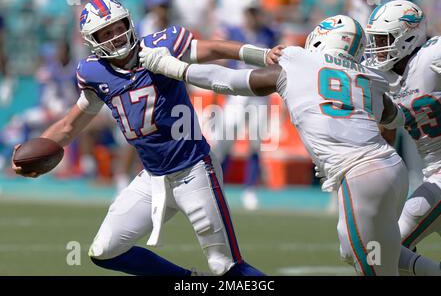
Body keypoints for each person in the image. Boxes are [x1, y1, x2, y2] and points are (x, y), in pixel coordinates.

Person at [12, 0, 282, 276]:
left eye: (118, 27)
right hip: (153, 179)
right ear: (93, 41)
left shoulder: (160, 46)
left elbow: (211, 49)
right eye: (105, 33)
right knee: (105, 251)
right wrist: (35, 151)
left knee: (225, 267)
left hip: (194, 171)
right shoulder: (95, 73)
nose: (115, 37)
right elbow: (69, 126)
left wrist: (261, 55)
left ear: (129, 23)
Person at [140, 14, 417, 275]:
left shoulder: (298, 59)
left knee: (373, 264)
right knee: (363, 251)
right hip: (391, 167)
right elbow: (394, 118)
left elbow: (226, 79)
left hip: (361, 173)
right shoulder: (371, 78)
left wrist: (173, 67)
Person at [365, 0, 441, 275]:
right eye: (375, 41)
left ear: (407, 36)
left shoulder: (435, 54)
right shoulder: (384, 77)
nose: (377, 49)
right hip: (433, 174)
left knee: (384, 247)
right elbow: (385, 133)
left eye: (383, 40)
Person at [212, 0, 280, 210]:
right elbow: (221, 58)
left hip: (259, 95)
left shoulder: (268, 33)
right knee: (224, 141)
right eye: (249, 13)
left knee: (255, 143)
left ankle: (250, 189)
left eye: (255, 12)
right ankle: (217, 187)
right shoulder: (234, 32)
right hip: (236, 94)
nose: (252, 17)